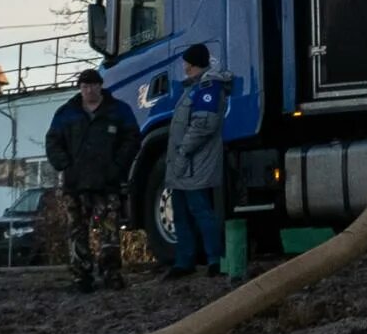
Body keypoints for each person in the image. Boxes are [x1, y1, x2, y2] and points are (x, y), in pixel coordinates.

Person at [43, 69, 142, 294]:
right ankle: (81, 276)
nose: (89, 90)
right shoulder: (66, 113)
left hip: (107, 182)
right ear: (80, 88)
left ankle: (111, 273)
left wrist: (118, 166)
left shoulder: (118, 111)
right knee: (77, 230)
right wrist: (64, 164)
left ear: (100, 86)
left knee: (110, 230)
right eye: (85, 86)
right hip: (75, 183)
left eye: (93, 86)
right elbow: (52, 141)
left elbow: (132, 139)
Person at [161, 44, 230, 282]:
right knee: (180, 212)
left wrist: (183, 150)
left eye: (186, 62)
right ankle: (185, 261)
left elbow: (204, 124)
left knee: (200, 210)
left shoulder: (207, 87)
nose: (183, 66)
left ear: (192, 64)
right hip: (184, 164)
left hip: (194, 163)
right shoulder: (194, 88)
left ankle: (214, 259)